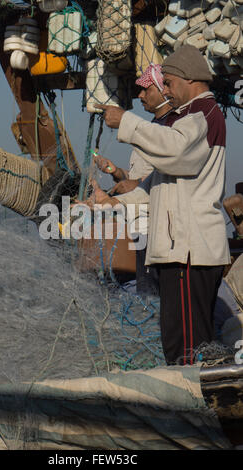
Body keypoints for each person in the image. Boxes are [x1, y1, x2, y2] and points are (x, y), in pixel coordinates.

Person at [94, 45, 231, 366]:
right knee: (181, 338)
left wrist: (126, 123)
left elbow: (177, 152)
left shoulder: (201, 114)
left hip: (188, 251)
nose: (165, 90)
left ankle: (194, 406)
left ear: (187, 79)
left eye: (167, 82)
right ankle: (199, 402)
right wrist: (108, 204)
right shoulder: (192, 117)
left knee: (186, 344)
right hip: (182, 250)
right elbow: (155, 188)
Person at [91, 64, 172, 295]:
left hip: (155, 225)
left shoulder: (170, 128)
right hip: (139, 221)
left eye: (146, 90)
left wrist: (132, 186)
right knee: (145, 286)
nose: (140, 95)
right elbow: (137, 177)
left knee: (152, 291)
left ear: (161, 90)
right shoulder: (152, 128)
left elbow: (168, 175)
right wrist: (115, 171)